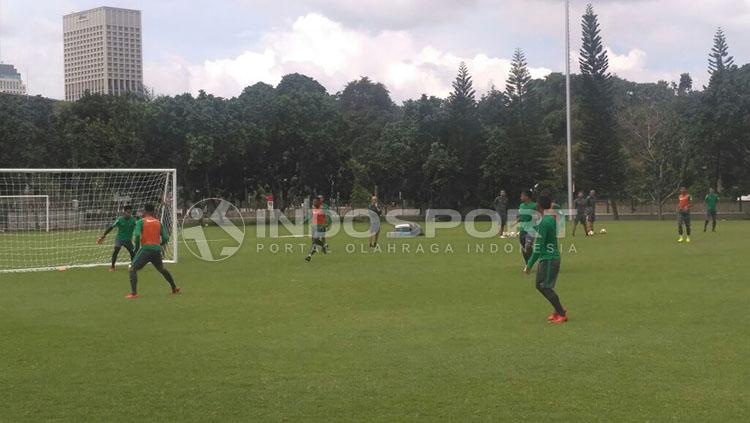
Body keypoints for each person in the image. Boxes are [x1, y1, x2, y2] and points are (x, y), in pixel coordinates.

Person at [524, 191, 567, 324]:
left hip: (549, 258)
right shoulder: (550, 219)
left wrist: (529, 265)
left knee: (544, 286)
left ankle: (561, 312)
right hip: (548, 257)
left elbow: (539, 247)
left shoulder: (545, 222)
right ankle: (558, 309)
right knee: (541, 285)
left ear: (538, 205)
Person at [126, 204, 179, 298]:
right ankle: (174, 288)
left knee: (132, 269)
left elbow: (137, 236)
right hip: (156, 250)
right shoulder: (159, 222)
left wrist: (137, 248)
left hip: (146, 250)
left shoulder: (140, 222)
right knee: (161, 269)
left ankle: (134, 294)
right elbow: (166, 237)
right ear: (153, 211)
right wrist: (160, 245)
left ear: (145, 211)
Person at [97, 205, 137, 271]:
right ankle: (112, 267)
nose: (129, 214)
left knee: (133, 253)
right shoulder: (119, 219)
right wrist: (104, 235)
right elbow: (111, 227)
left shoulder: (133, 220)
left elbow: (138, 227)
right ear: (124, 212)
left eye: (130, 212)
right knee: (116, 250)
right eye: (127, 212)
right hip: (119, 239)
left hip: (128, 240)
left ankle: (132, 266)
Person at [305, 195, 331, 262]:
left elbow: (327, 216)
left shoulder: (323, 208)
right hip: (314, 226)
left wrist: (327, 224)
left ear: (319, 202)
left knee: (315, 240)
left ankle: (322, 246)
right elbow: (311, 216)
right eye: (313, 201)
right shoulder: (314, 208)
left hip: (320, 227)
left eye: (315, 201)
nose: (313, 202)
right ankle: (310, 254)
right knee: (314, 242)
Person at [517, 190, 537, 264]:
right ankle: (527, 263)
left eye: (522, 196)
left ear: (527, 197)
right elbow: (520, 215)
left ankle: (531, 262)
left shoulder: (534, 206)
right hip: (522, 229)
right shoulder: (521, 205)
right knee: (523, 248)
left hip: (531, 229)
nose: (520, 197)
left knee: (528, 246)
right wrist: (519, 218)